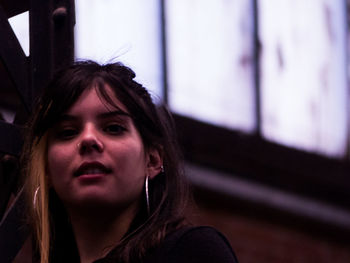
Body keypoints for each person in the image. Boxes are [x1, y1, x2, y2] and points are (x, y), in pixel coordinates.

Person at [21, 60, 238, 263]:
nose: (88, 139)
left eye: (113, 128)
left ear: (152, 160)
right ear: (47, 169)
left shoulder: (193, 252)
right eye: (68, 132)